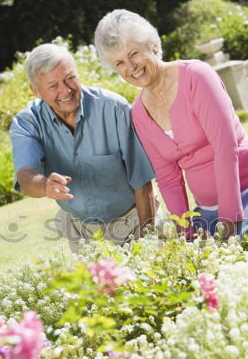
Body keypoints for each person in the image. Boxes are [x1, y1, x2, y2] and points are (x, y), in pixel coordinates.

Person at [94, 9, 248, 242]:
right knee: (203, 265)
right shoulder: (138, 113)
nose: (131, 67)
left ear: (152, 46)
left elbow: (225, 149)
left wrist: (229, 222)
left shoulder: (196, 76)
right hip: (208, 207)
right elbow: (167, 177)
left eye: (134, 53)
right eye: (120, 63)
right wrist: (185, 232)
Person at [10, 43, 157, 253]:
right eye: (53, 86)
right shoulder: (28, 122)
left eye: (70, 78)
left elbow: (143, 184)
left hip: (132, 221)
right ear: (36, 90)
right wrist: (44, 186)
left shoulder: (113, 109)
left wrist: (148, 242)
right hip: (81, 233)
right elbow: (25, 176)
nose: (66, 90)